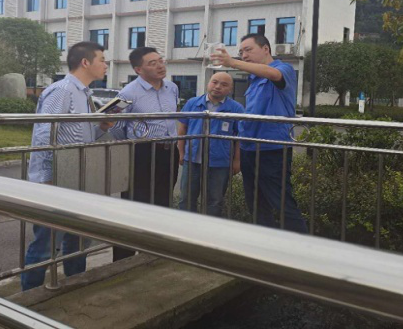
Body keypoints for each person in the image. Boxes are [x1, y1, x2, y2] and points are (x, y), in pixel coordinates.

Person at [22, 41, 109, 291]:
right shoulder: (62, 91)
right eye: (102, 60)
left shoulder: (85, 94)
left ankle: (74, 287)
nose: (106, 65)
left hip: (77, 178)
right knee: (46, 244)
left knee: (77, 241)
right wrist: (47, 178)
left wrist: (102, 127)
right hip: (56, 181)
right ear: (86, 62)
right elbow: (44, 135)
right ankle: (29, 297)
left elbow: (82, 135)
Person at [211, 34, 307, 233]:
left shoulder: (284, 69)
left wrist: (232, 62)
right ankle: (264, 243)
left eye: (248, 50)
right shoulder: (254, 79)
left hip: (272, 149)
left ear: (266, 49)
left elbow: (273, 75)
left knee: (282, 202)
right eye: (241, 52)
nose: (244, 55)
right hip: (249, 147)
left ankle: (304, 246)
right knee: (255, 203)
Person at [107, 47, 180, 261]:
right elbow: (113, 124)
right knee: (134, 206)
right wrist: (134, 144)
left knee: (162, 204)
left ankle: (153, 254)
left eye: (161, 60)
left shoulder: (172, 88)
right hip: (141, 153)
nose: (160, 66)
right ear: (138, 69)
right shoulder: (128, 93)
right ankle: (124, 259)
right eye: (152, 63)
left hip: (168, 153)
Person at [177, 72, 244, 216]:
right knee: (186, 198)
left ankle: (209, 228)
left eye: (224, 84)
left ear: (230, 89)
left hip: (220, 162)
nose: (218, 87)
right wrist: (181, 152)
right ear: (208, 83)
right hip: (192, 159)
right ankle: (185, 226)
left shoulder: (236, 109)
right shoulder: (193, 103)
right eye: (215, 82)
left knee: (215, 201)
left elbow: (239, 137)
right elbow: (182, 128)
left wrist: (237, 160)